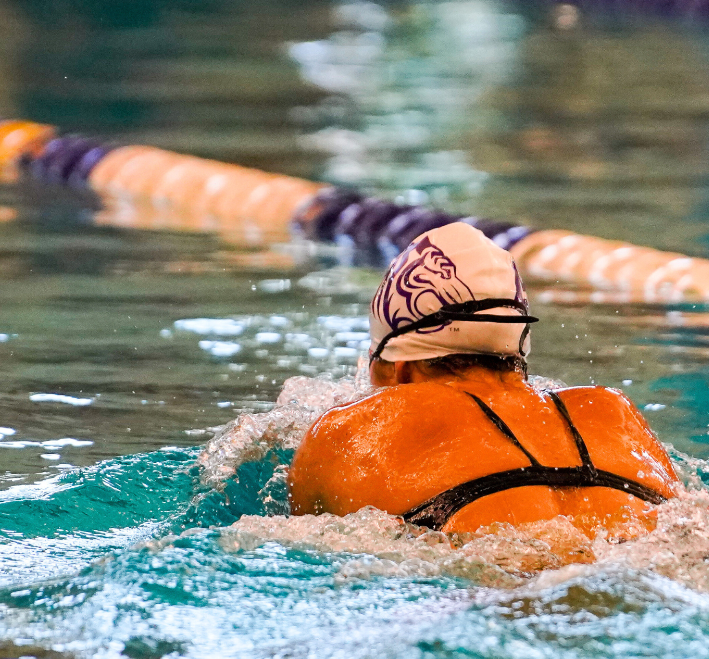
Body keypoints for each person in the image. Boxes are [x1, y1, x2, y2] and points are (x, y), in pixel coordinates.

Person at [289, 221, 681, 538]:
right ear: (517, 352)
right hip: (652, 563)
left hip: (501, 586)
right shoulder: (613, 410)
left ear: (400, 365)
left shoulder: (352, 426)